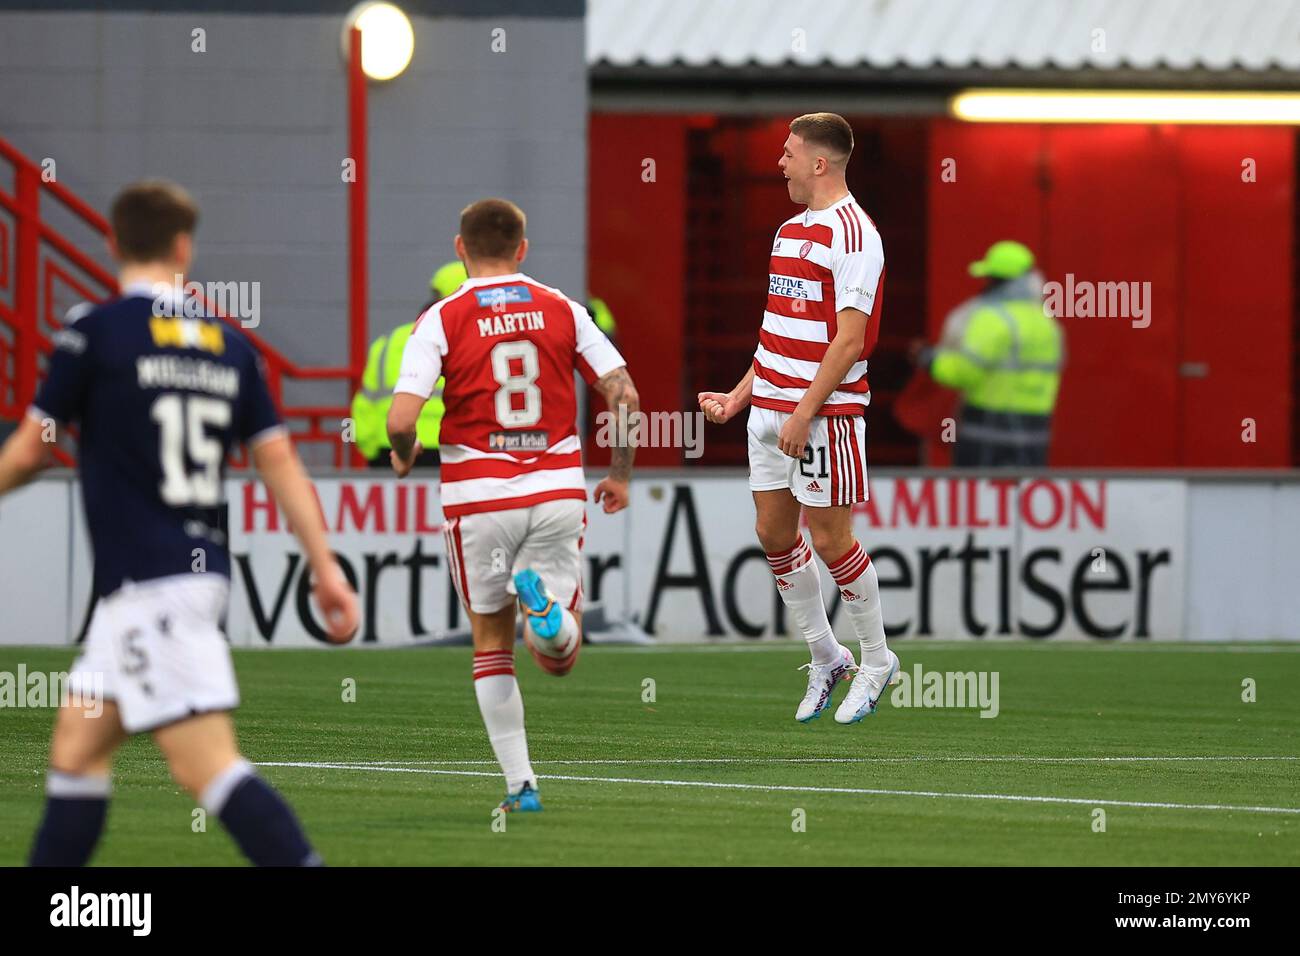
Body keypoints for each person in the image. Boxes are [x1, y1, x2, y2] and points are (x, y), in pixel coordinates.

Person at [0, 180, 359, 866]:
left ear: (111, 243)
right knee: (76, 753)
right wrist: (325, 567)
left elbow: (33, 446)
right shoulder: (229, 346)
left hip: (150, 584)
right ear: (183, 248)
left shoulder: (94, 331)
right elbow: (280, 462)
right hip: (177, 577)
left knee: (208, 768)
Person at [387, 198, 638, 813]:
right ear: (522, 249)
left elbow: (399, 418)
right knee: (558, 660)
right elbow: (624, 395)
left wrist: (405, 448)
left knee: (492, 643)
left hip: (477, 498)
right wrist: (621, 474)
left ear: (460, 248)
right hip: (554, 490)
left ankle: (521, 787)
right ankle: (547, 615)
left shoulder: (442, 319)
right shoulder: (563, 309)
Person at [698, 113, 898, 725]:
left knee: (832, 539)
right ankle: (825, 653)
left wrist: (803, 411)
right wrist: (739, 396)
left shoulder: (855, 235)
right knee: (774, 533)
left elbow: (849, 342)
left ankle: (877, 657)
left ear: (819, 162)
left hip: (824, 415)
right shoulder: (788, 231)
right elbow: (778, 333)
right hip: (769, 410)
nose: (778, 163)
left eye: (788, 154)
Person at [916, 240, 1064, 467]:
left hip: (986, 431)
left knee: (978, 499)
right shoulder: (1047, 324)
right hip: (1035, 433)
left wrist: (931, 360)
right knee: (1023, 498)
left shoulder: (991, 319)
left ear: (996, 280)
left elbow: (965, 373)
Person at [350, 262, 467, 467]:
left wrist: (371, 451)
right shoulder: (475, 340)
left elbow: (362, 407)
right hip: (455, 451)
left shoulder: (388, 341)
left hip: (390, 450)